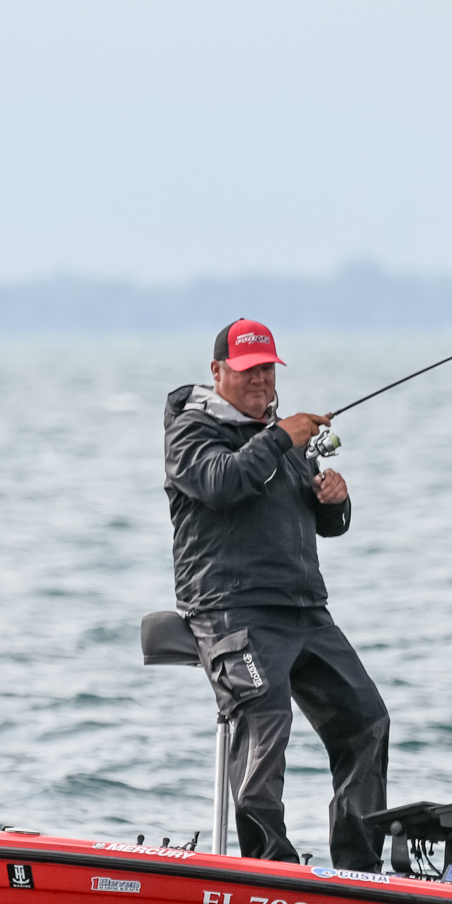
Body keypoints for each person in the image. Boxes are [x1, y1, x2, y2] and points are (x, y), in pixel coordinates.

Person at [163, 318, 390, 869]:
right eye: (247, 370)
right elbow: (222, 483)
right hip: (228, 612)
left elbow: (326, 526)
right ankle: (269, 867)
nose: (260, 380)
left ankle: (359, 871)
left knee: (366, 720)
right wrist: (281, 437)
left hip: (304, 611)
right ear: (218, 372)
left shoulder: (282, 437)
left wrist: (333, 500)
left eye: (266, 368)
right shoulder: (192, 432)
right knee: (266, 718)